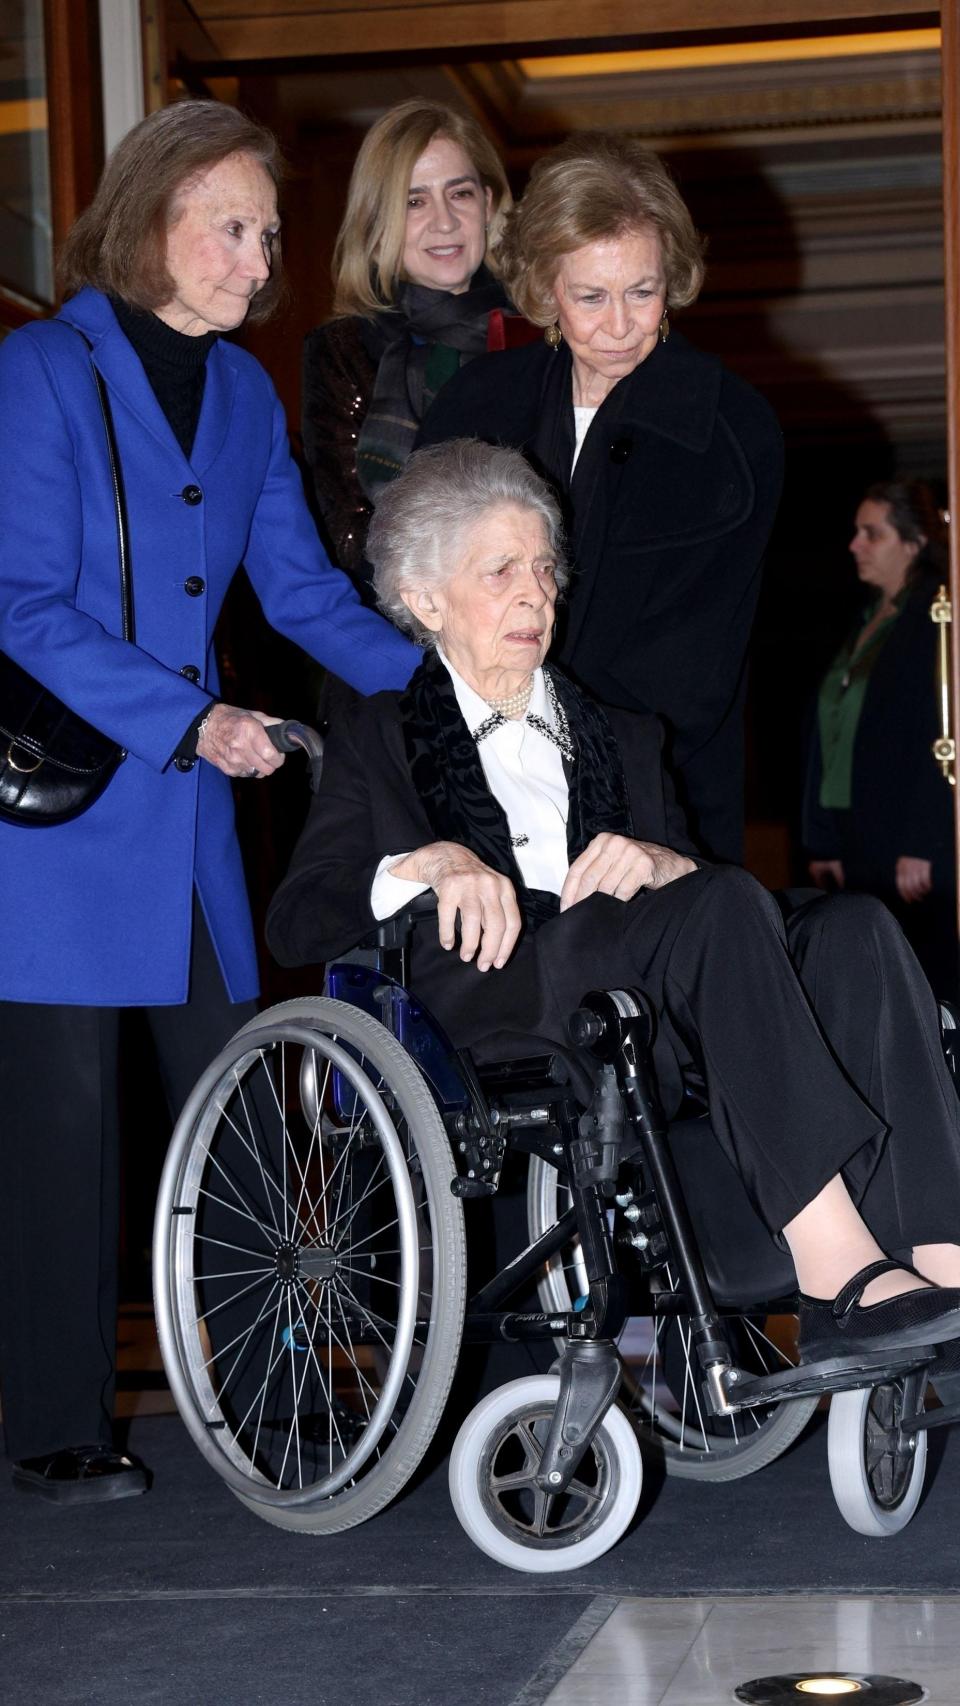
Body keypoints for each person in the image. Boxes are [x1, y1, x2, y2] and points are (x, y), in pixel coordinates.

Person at [268, 439, 960, 1383]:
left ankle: (939, 1263)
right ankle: (836, 1267)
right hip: (500, 998)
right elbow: (298, 918)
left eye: (545, 569)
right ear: (425, 600)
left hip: (653, 991)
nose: (535, 595)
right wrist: (425, 865)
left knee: (853, 927)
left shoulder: (623, 734)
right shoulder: (374, 736)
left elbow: (709, 908)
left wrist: (664, 858)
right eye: (500, 571)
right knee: (717, 906)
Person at [0, 99, 419, 1504]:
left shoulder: (245, 394)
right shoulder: (43, 370)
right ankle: (55, 1423)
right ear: (148, 221)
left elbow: (298, 592)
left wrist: (452, 685)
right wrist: (194, 717)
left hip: (187, 828)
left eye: (268, 232)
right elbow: (21, 603)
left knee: (236, 1109)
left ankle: (261, 1393)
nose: (258, 261)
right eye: (229, 228)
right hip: (54, 827)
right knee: (64, 1133)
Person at [417, 132, 784, 864]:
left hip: (656, 797)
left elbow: (694, 663)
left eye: (642, 292)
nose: (619, 326)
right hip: (474, 779)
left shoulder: (730, 428)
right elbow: (425, 587)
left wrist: (550, 740)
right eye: (591, 297)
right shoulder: (476, 405)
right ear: (545, 288)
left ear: (671, 280)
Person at [301, 98, 513, 598]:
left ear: (486, 204)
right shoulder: (344, 349)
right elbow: (351, 534)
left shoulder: (543, 332)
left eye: (458, 194)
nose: (443, 222)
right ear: (377, 224)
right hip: (402, 635)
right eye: (413, 201)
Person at [803, 481, 956, 998]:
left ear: (912, 544)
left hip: (907, 841)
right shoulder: (869, 620)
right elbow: (830, 730)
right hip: (860, 832)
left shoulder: (934, 619)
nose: (855, 545)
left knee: (924, 979)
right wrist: (824, 836)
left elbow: (937, 733)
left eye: (872, 533)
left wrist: (923, 841)